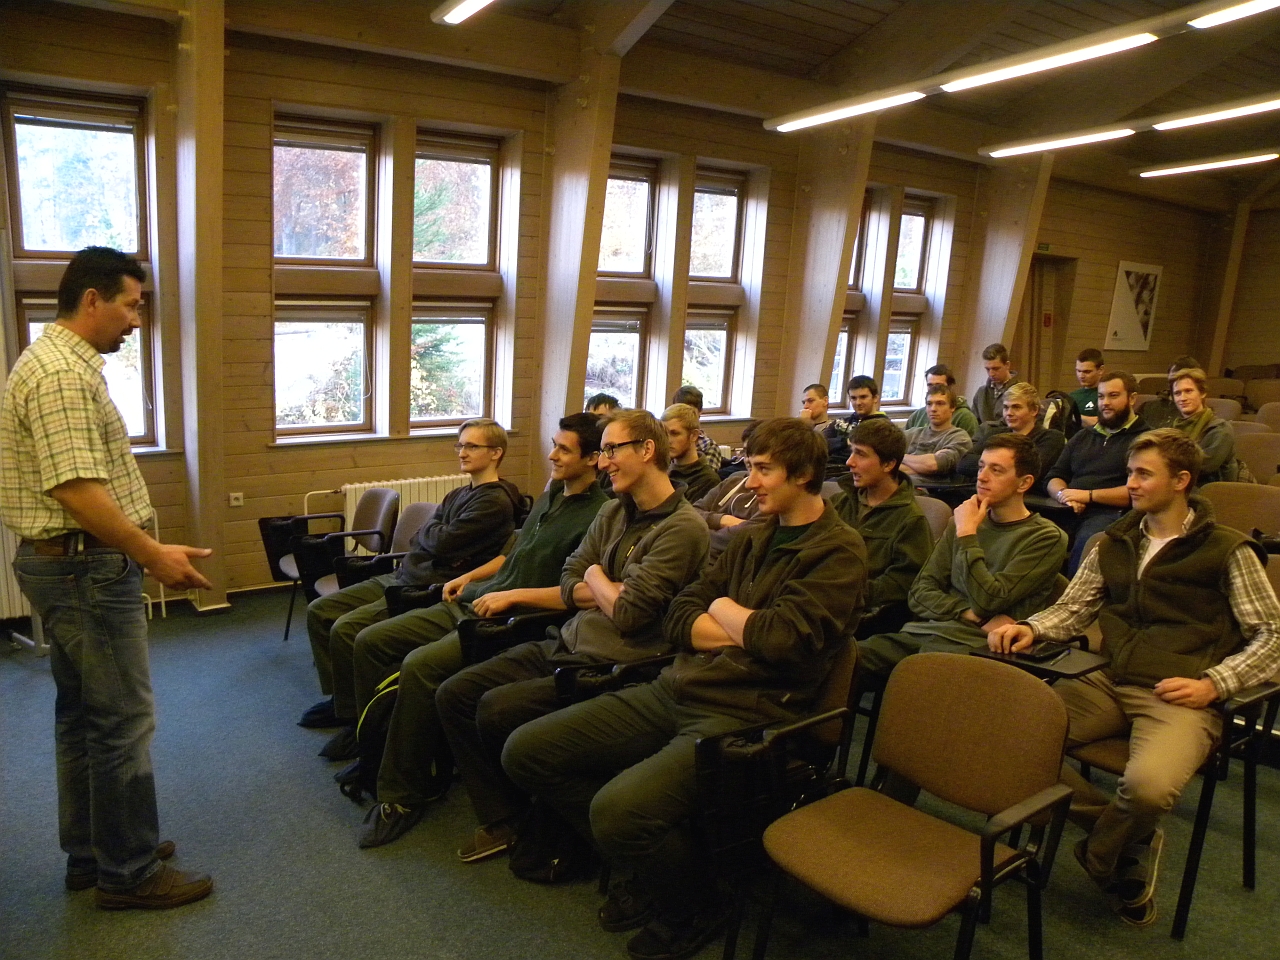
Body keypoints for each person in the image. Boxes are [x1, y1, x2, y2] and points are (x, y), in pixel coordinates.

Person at [502, 418, 868, 960]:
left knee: (617, 811)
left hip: (747, 714)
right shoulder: (754, 536)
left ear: (805, 474)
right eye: (751, 467)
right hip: (677, 686)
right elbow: (679, 616)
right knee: (527, 751)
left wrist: (721, 610)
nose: (751, 483)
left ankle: (695, 901)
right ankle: (654, 866)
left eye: (764, 470)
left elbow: (780, 641)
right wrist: (736, 620)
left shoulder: (839, 551)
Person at [989, 429, 1280, 927]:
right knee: (1007, 735)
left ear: (1181, 481)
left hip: (1181, 694)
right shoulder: (1116, 541)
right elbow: (1074, 609)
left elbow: (1272, 636)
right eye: (1129, 473)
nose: (1131, 483)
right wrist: (1031, 627)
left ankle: (1103, 851)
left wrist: (1215, 684)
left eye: (1144, 474)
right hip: (1111, 679)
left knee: (1147, 788)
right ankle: (1126, 835)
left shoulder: (1227, 550)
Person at [0, 247, 213, 908]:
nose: (137, 320)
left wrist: (143, 547)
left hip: (70, 565)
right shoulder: (62, 374)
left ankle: (94, 852)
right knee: (122, 722)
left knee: (83, 716)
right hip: (84, 568)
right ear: (92, 300)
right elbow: (76, 489)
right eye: (132, 305)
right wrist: (150, 553)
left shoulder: (55, 364)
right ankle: (130, 872)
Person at [436, 409, 709, 864]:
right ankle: (506, 816)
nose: (604, 462)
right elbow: (569, 576)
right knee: (456, 694)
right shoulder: (613, 510)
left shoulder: (682, 527)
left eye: (612, 450)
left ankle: (564, 833)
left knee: (497, 709)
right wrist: (607, 585)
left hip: (615, 663)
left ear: (647, 450)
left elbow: (629, 613)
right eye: (601, 451)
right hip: (568, 640)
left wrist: (596, 577)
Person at [355, 413, 609, 848]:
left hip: (513, 620)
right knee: (371, 640)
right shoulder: (551, 495)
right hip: (480, 598)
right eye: (554, 444)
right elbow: (513, 555)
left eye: (564, 449)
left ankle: (401, 794)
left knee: (420, 666)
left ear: (593, 459)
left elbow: (579, 592)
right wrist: (471, 576)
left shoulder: (599, 513)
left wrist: (513, 596)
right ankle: (372, 747)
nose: (552, 455)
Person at [300, 418, 525, 754]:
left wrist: (430, 536)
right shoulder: (459, 493)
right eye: (460, 445)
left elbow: (440, 542)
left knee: (348, 630)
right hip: (406, 573)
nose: (462, 452)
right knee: (320, 611)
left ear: (496, 453)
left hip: (428, 584)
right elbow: (424, 536)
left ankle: (361, 721)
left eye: (471, 446)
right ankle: (342, 701)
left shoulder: (494, 502)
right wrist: (431, 536)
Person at [857, 433, 1067, 682]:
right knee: (840, 660)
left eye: (996, 470)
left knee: (913, 681)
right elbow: (919, 594)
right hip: (920, 635)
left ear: (1024, 483)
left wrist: (967, 534)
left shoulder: (1046, 537)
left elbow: (988, 599)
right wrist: (975, 616)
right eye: (981, 467)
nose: (982, 477)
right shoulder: (961, 520)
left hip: (976, 649)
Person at [830, 417, 933, 636]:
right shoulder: (840, 503)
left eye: (861, 454)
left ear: (888, 464)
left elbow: (903, 584)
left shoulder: (910, 520)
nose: (849, 462)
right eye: (851, 452)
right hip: (828, 603)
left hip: (868, 618)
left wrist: (845, 592)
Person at [1045, 371, 1150, 572]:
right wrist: (1063, 495)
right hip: (1068, 508)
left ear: (1132, 399)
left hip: (1111, 513)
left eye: (1113, 396)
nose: (1105, 403)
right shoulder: (1083, 436)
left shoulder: (1145, 440)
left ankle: (1072, 591)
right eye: (1101, 397)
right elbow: (1055, 476)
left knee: (1088, 539)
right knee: (1033, 532)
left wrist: (1087, 496)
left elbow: (1138, 490)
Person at [958, 382, 1066, 494]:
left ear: (1034, 410)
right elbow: (964, 463)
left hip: (1027, 497)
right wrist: (1000, 468)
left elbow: (1031, 471)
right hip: (984, 492)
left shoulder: (1051, 438)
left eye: (1016, 407)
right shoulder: (995, 433)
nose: (1009, 413)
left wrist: (986, 464)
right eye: (1006, 407)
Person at [690, 421, 765, 564]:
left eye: (757, 453)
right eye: (746, 452)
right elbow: (691, 513)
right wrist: (724, 520)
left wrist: (692, 531)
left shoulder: (770, 499)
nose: (749, 459)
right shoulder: (732, 481)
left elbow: (739, 540)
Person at [1170, 368, 1239, 485]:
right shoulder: (1173, 427)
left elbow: (1204, 466)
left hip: (1208, 488)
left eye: (1188, 391)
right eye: (1177, 393)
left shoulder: (1220, 428)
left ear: (1202, 393)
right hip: (1179, 484)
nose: (1182, 398)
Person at [900, 384, 972, 478]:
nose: (933, 409)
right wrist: (921, 467)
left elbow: (932, 465)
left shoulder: (960, 438)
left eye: (940, 403)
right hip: (901, 483)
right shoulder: (912, 434)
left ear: (952, 407)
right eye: (929, 404)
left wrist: (900, 457)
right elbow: (884, 463)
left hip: (931, 487)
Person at [662, 403, 721, 503]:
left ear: (694, 435)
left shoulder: (708, 480)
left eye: (674, 433)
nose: (667, 440)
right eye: (664, 433)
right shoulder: (662, 469)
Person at [903, 364, 979, 437]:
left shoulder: (966, 417)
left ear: (950, 386)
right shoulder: (918, 415)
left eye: (939, 385)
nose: (934, 389)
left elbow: (971, 444)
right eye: (930, 385)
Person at [797, 382, 851, 477]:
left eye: (810, 401)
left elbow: (811, 451)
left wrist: (805, 426)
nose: (805, 406)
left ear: (825, 401)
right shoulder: (797, 426)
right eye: (804, 402)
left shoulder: (835, 427)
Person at [1136, 356, 1199, 430]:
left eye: (1188, 391)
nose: (1178, 383)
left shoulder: (1195, 413)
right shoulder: (1148, 407)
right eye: (1174, 378)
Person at [671, 385, 722, 471]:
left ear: (700, 412)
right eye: (680, 411)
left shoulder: (709, 446)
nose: (686, 416)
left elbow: (706, 476)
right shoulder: (666, 442)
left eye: (691, 411)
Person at [971, 343, 1024, 425]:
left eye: (995, 369)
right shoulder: (981, 392)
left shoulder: (1022, 391)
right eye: (987, 369)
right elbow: (974, 423)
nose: (991, 374)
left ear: (1007, 365)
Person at [1072, 348, 1105, 427]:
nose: (1081, 376)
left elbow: (1105, 424)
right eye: (1078, 371)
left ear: (1100, 370)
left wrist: (1071, 416)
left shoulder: (1106, 395)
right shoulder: (1072, 396)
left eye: (1087, 372)